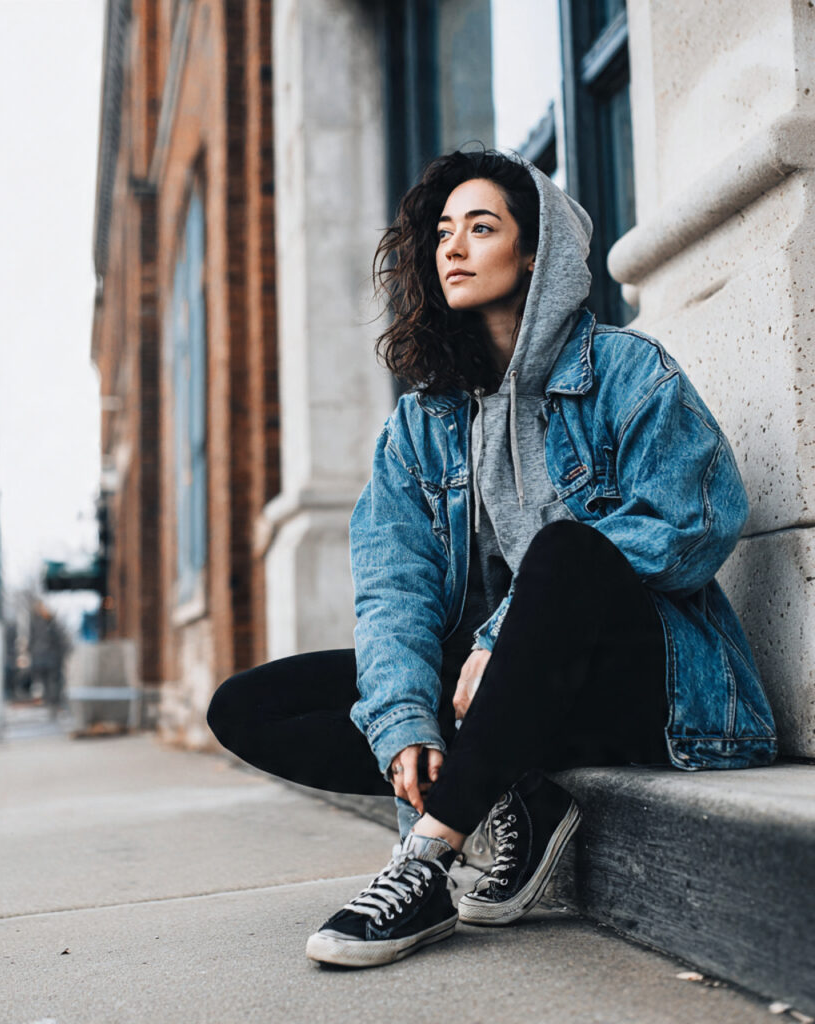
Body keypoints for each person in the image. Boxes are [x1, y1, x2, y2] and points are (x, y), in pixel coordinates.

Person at [207, 149, 777, 969]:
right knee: (252, 705)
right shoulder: (419, 427)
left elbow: (693, 523)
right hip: (505, 698)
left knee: (567, 550)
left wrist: (497, 635)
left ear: (537, 253)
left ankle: (428, 859)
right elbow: (393, 589)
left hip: (646, 689)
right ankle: (517, 796)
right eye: (443, 232)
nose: (454, 247)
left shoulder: (627, 371)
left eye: (481, 228)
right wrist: (403, 719)